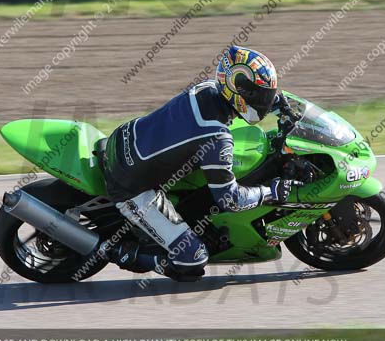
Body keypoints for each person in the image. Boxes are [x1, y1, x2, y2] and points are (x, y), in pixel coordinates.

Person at [97, 46, 301, 281]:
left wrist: (278, 103)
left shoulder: (206, 87)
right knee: (191, 260)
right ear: (239, 92)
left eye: (268, 94)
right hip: (129, 185)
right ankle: (116, 251)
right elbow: (229, 199)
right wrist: (270, 192)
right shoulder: (216, 136)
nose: (265, 101)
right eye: (260, 95)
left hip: (125, 137)